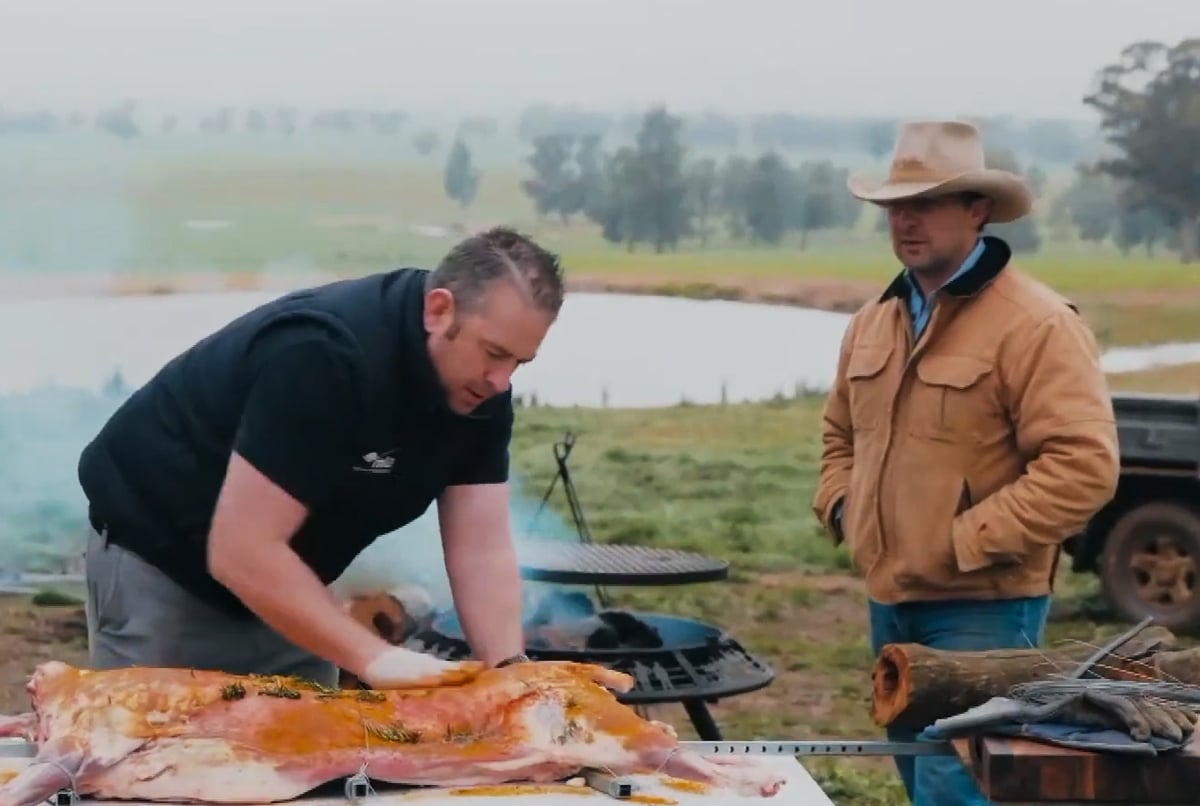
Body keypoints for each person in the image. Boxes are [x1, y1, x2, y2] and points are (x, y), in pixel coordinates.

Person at [78, 226, 565, 691]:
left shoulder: (481, 392)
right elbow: (241, 550)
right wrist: (377, 658)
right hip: (162, 565)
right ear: (439, 310)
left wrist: (510, 676)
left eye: (519, 363)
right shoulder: (323, 354)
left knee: (303, 755)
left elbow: (481, 549)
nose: (501, 381)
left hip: (289, 579)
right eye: (494, 353)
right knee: (159, 758)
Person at [812, 120, 1120, 805]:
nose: (906, 221)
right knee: (916, 772)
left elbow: (1084, 466)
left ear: (977, 210)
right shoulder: (874, 321)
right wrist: (846, 508)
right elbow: (838, 437)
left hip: (984, 607)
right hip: (888, 599)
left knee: (957, 787)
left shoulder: (1037, 324)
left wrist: (962, 540)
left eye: (926, 203)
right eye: (896, 205)